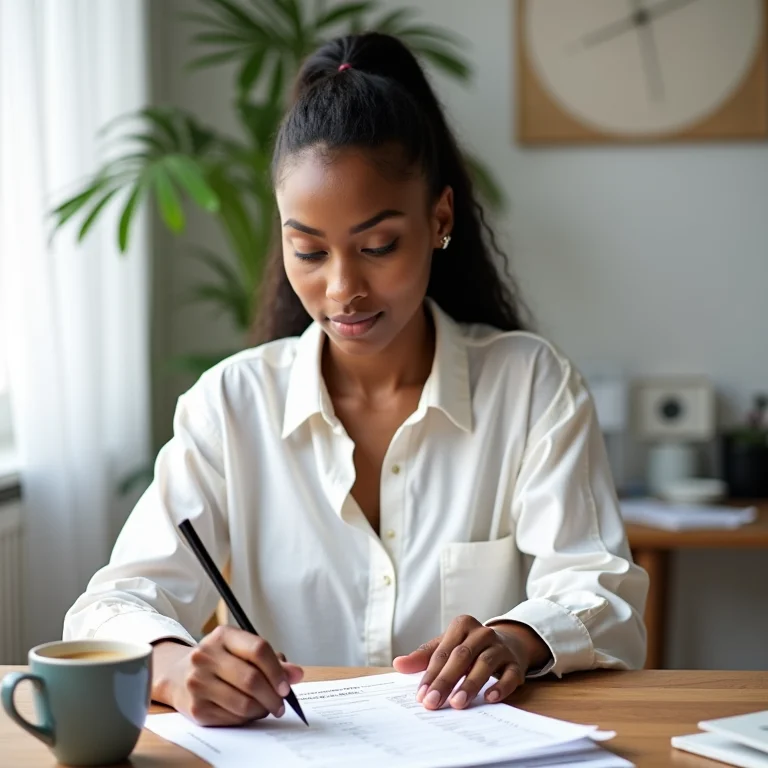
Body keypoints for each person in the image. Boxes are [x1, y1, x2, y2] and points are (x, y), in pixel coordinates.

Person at [64, 32, 648, 727]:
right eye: (308, 251)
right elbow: (112, 605)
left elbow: (601, 590)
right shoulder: (231, 405)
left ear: (439, 219)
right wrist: (173, 667)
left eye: (377, 247)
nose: (342, 288)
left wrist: (517, 640)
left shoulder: (530, 387)